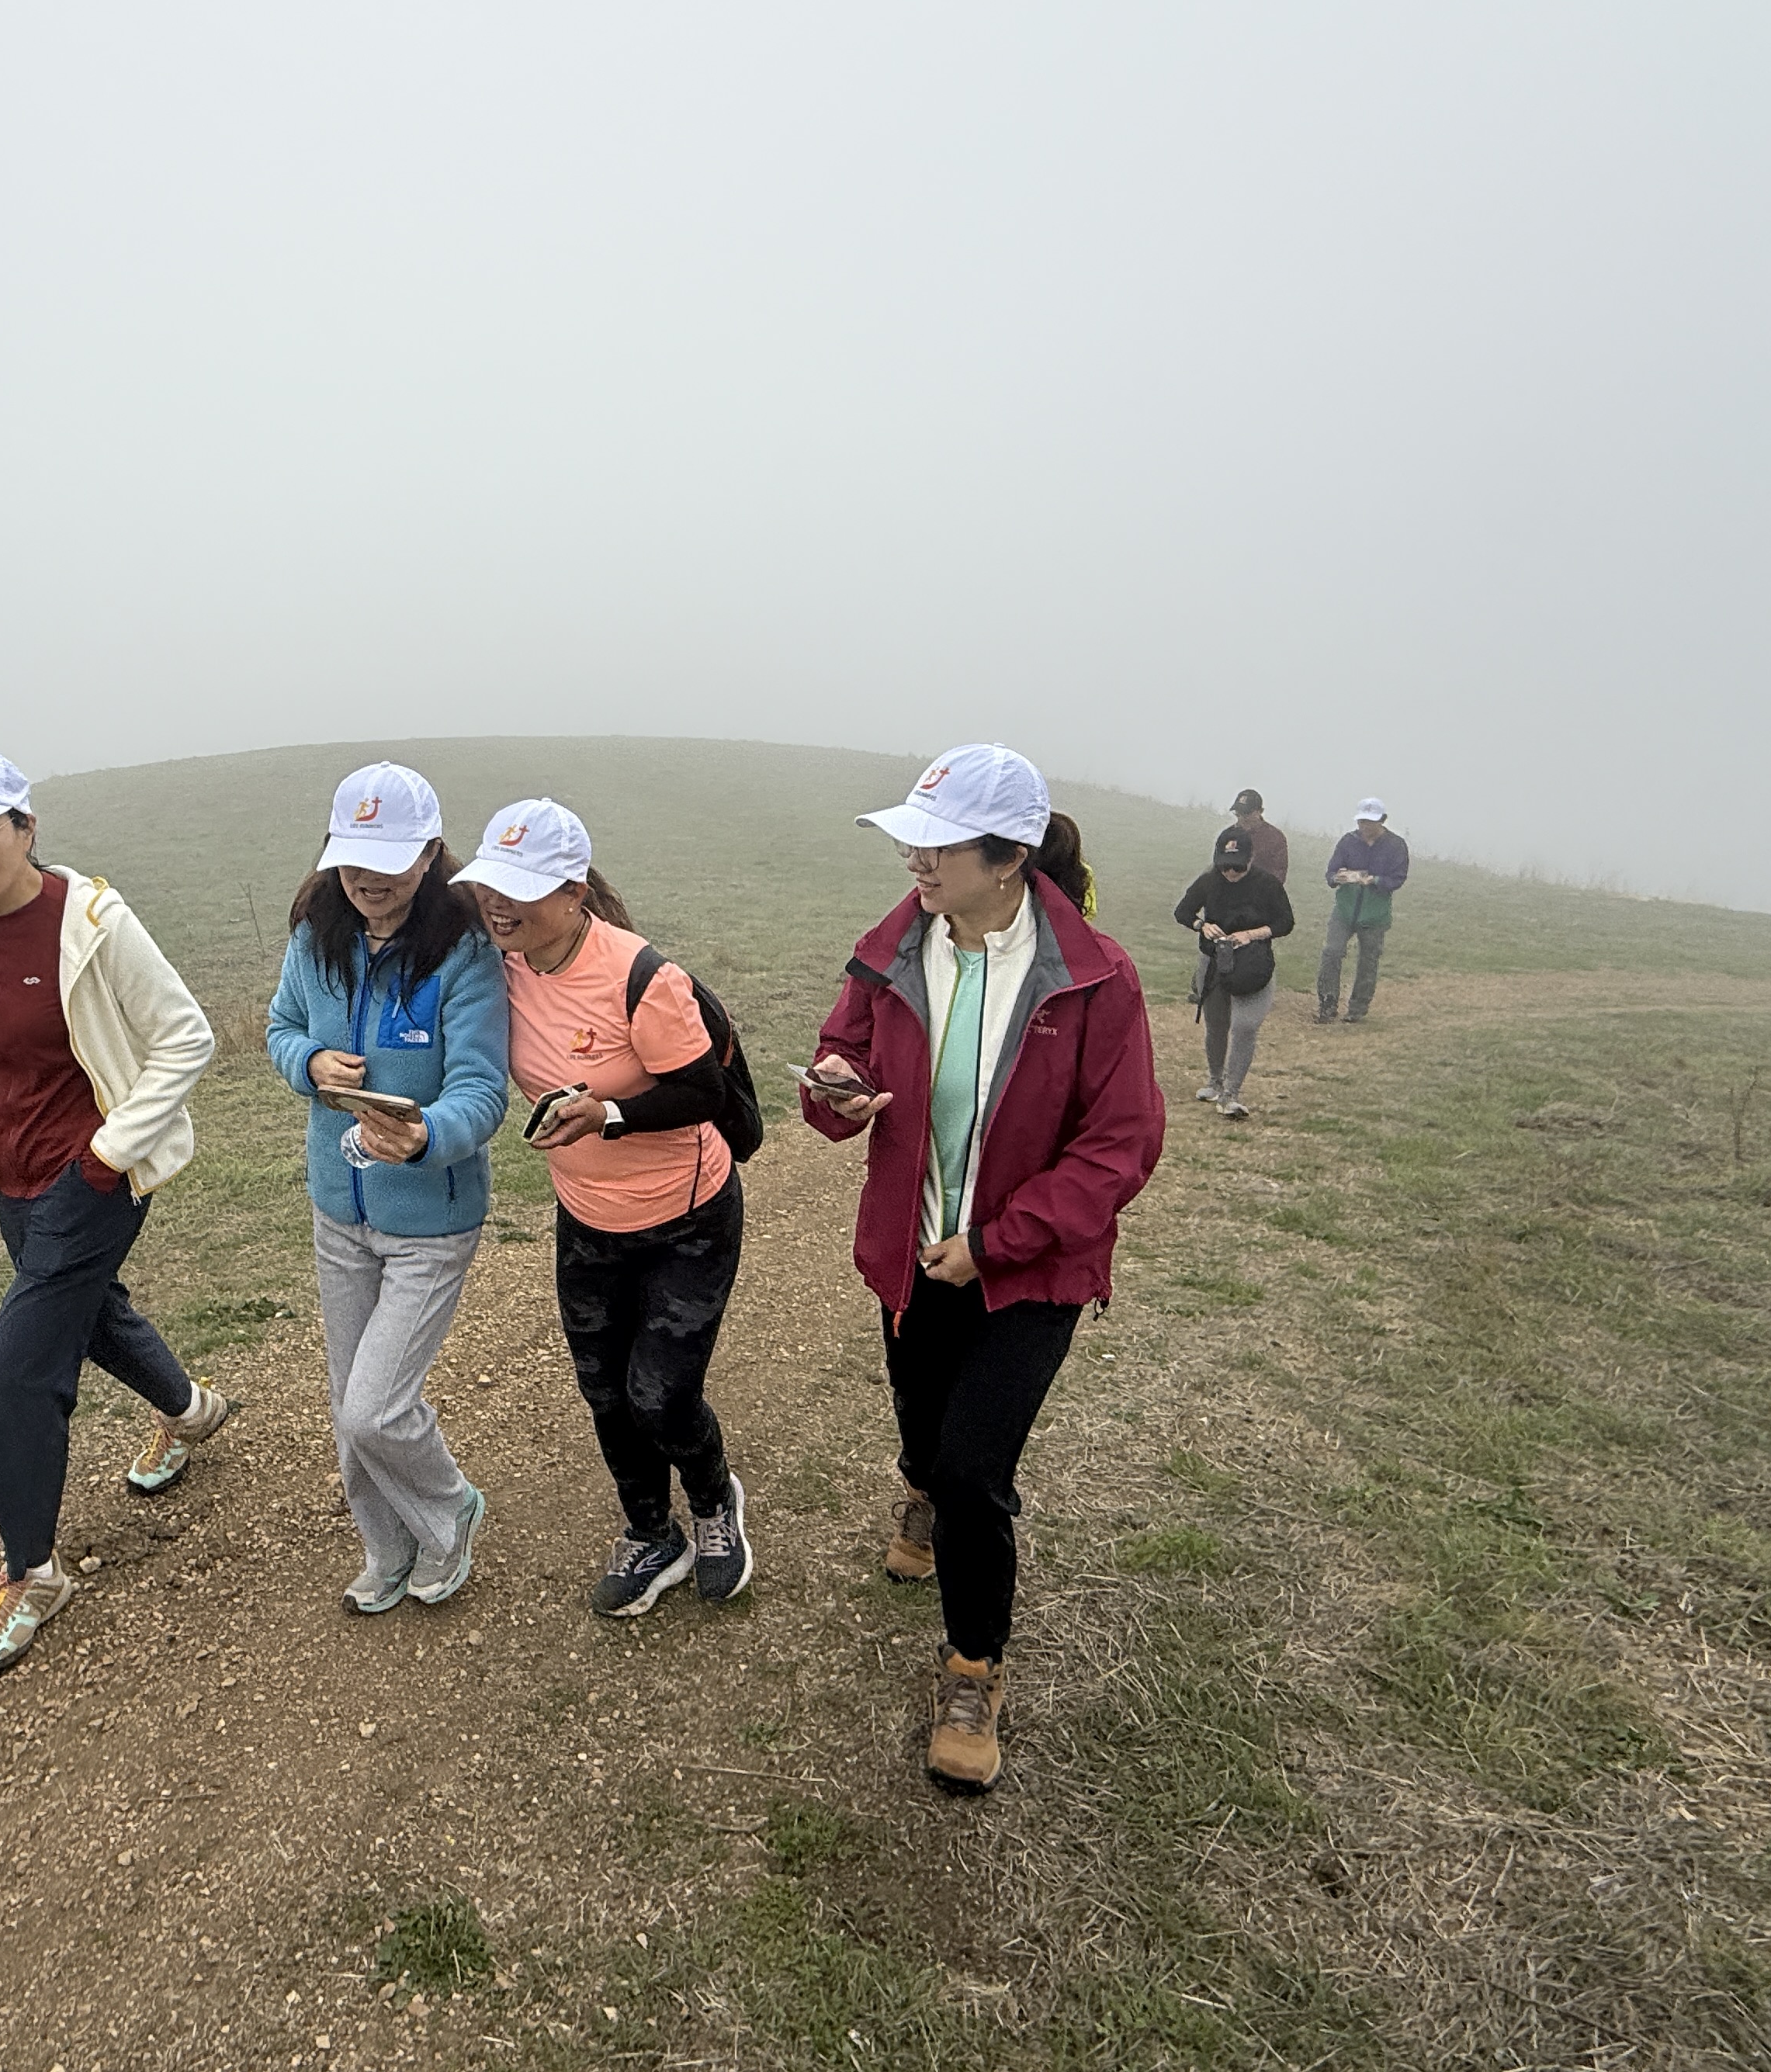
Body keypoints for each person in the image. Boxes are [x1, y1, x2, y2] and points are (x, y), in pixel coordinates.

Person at [801, 745, 1163, 1792]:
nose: (914, 858)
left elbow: (1122, 1142)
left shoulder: (1094, 977)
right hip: (912, 1254)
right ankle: (917, 1486)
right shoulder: (891, 951)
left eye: (939, 842)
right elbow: (844, 1056)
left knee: (974, 1472)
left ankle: (972, 1669)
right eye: (910, 836)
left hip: (1027, 1271)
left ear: (1009, 859)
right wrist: (839, 1087)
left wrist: (997, 1242)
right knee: (924, 1434)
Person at [0, 749, 232, 1677]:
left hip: (95, 1178)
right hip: (8, 1177)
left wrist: (107, 1152)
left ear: (26, 830)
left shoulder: (89, 920)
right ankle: (190, 1409)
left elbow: (186, 1037)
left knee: (19, 1362)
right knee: (88, 1316)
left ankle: (31, 1574)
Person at [453, 799, 755, 1619]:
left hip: (686, 1217)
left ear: (574, 891)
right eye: (490, 886)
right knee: (605, 1392)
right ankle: (650, 1533)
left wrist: (608, 1114)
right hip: (587, 1219)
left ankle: (712, 1502)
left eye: (520, 888)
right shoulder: (494, 966)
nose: (497, 904)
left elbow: (702, 1090)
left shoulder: (640, 976)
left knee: (659, 1393)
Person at [264, 764, 510, 1615]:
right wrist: (309, 1064)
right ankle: (386, 1546)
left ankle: (449, 1514)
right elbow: (281, 1027)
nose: (371, 879)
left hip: (430, 1222)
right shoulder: (317, 938)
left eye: (394, 860)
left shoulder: (464, 952)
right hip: (339, 1211)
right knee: (348, 1409)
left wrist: (426, 1136)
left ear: (434, 854)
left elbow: (482, 1091)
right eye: (355, 858)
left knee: (376, 1408)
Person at [1173, 826, 1294, 1118]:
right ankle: (1214, 1081)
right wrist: (1201, 925)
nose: (1231, 873)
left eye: (1238, 867)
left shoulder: (1267, 885)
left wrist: (1252, 934)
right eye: (1225, 866)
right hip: (1214, 961)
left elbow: (1285, 923)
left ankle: (1231, 1094)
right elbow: (1183, 912)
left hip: (1253, 963)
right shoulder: (1209, 881)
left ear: (1251, 859)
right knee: (1216, 1025)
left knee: (1245, 1026)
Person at [1315, 798, 1412, 1024]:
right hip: (1344, 910)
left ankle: (1358, 1008)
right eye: (1362, 821)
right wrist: (1336, 877)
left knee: (1368, 960)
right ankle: (1327, 1004)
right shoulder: (1347, 842)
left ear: (1382, 821)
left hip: (1375, 914)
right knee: (1332, 952)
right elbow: (1330, 872)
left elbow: (1398, 878)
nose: (1365, 827)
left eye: (1371, 822)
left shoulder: (1396, 845)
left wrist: (1375, 880)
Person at [1227, 788, 1289, 885]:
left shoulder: (1275, 838)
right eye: (1238, 814)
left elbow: (1278, 877)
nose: (1242, 819)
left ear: (1260, 812)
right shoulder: (1228, 835)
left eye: (1246, 814)